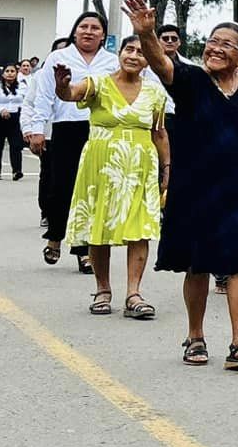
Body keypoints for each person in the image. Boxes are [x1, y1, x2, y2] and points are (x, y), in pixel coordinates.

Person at [125, 0, 238, 373]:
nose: (215, 48)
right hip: (194, 189)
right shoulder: (191, 81)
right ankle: (195, 336)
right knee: (197, 265)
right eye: (212, 41)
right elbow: (160, 62)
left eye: (226, 44)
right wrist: (146, 33)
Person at [57, 35, 170, 320]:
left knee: (140, 227)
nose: (134, 56)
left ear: (148, 61)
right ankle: (102, 290)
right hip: (102, 165)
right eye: (129, 49)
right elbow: (70, 94)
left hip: (141, 167)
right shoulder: (98, 84)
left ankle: (134, 294)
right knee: (100, 226)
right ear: (119, 53)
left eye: (141, 52)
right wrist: (62, 84)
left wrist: (167, 167)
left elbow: (159, 132)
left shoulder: (155, 92)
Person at [24, 9, 120, 270]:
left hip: (100, 131)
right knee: (62, 187)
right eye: (83, 27)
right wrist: (37, 129)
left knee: (93, 190)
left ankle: (83, 250)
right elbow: (44, 96)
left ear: (103, 35)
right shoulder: (58, 58)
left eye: (95, 28)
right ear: (75, 31)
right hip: (65, 129)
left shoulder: (112, 62)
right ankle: (55, 237)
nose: (88, 32)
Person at [0, 63, 26, 181]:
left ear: (17, 73)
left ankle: (17, 171)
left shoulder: (22, 86)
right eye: (7, 71)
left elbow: (27, 101)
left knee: (16, 145)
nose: (10, 74)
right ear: (3, 74)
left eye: (12, 71)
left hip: (15, 118)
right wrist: (0, 110)